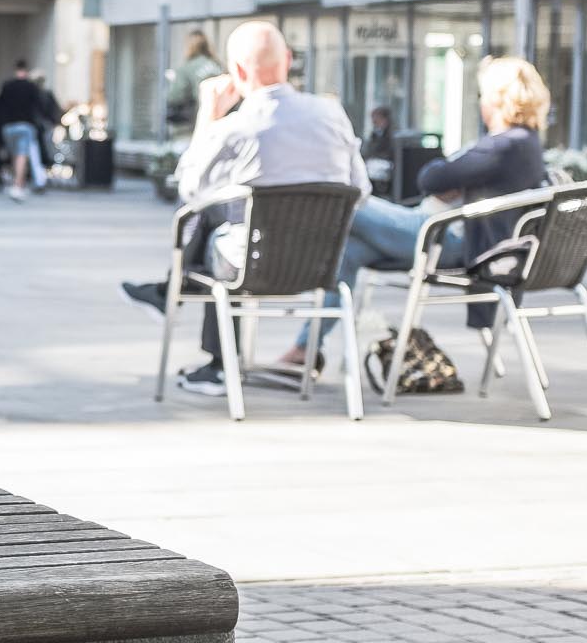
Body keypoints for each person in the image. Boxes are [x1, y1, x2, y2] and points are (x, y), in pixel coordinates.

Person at [120, 22, 367, 397]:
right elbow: (360, 189)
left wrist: (208, 116)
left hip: (251, 264)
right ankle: (208, 350)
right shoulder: (332, 115)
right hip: (322, 265)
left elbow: (189, 189)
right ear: (287, 60)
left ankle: (211, 350)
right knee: (225, 218)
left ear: (236, 71)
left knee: (209, 220)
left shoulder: (235, 127)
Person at [277, 55, 552, 371]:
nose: (482, 103)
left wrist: (449, 174)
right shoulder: (523, 144)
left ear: (498, 99)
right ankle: (304, 347)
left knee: (346, 203)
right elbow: (445, 177)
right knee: (349, 251)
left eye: (484, 95)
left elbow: (430, 178)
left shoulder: (504, 146)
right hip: (450, 236)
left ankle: (284, 246)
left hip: (448, 240)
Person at [0, 59, 47, 203]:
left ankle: (18, 183)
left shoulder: (7, 86)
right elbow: (40, 106)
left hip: (8, 127)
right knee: (22, 156)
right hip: (25, 125)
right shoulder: (31, 87)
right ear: (26, 71)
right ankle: (17, 186)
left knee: (15, 155)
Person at [166, 30, 219, 134]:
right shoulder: (218, 65)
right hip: (221, 119)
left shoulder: (187, 68)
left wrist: (173, 80)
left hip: (199, 121)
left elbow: (175, 97)